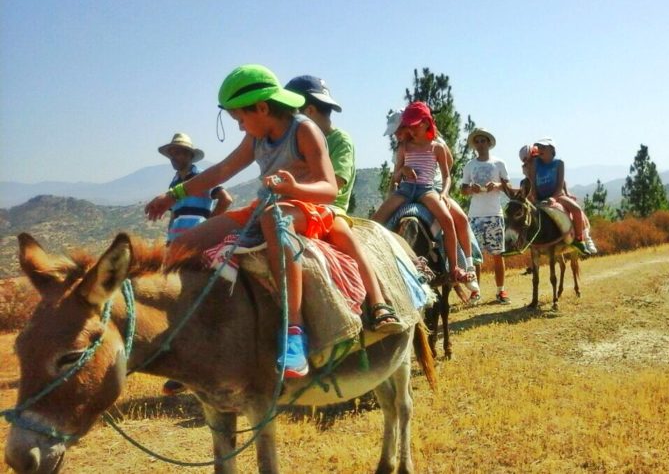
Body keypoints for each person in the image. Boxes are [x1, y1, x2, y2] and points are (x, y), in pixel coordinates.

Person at [145, 64, 395, 380]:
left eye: (241, 118)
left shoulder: (304, 130)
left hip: (307, 208)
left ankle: (294, 334)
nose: (240, 127)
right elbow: (221, 171)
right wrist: (173, 195)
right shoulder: (255, 137)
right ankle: (193, 336)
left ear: (262, 108)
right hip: (266, 204)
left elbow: (329, 189)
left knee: (272, 218)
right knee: (184, 243)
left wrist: (294, 188)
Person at [284, 75, 400, 331]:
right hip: (295, 206)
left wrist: (293, 189)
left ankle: (379, 302)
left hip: (328, 207)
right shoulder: (296, 141)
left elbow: (336, 183)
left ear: (309, 111)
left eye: (291, 113)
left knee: (343, 236)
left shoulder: (340, 141)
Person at [157, 132, 232, 396]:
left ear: (189, 155)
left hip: (196, 247)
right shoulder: (176, 181)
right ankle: (188, 369)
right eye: (173, 153)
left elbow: (226, 199)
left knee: (194, 302)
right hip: (178, 248)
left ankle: (194, 370)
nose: (175, 157)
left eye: (180, 153)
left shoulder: (200, 178)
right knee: (182, 303)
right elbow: (176, 215)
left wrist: (208, 227)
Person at [382, 109, 481, 300]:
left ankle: (464, 265)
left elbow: (447, 169)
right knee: (380, 220)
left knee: (457, 218)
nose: (396, 134)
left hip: (431, 187)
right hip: (406, 188)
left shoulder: (437, 145)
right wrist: (402, 172)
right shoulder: (403, 147)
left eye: (398, 130)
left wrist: (442, 191)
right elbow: (395, 176)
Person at [461, 128, 511, 304]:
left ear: (489, 143)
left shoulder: (499, 163)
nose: (480, 144)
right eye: (477, 141)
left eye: (483, 141)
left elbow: (507, 186)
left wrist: (496, 185)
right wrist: (470, 189)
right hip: (475, 215)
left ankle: (501, 291)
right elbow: (463, 189)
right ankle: (476, 291)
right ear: (474, 145)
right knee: (475, 257)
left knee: (498, 254)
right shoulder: (469, 165)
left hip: (494, 214)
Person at [526, 138, 597, 255]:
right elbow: (532, 184)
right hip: (539, 198)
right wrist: (533, 198)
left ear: (552, 149)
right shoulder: (535, 164)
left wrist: (553, 198)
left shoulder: (559, 163)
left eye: (544, 147)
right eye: (539, 147)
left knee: (576, 210)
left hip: (557, 196)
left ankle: (580, 239)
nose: (541, 150)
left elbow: (559, 185)